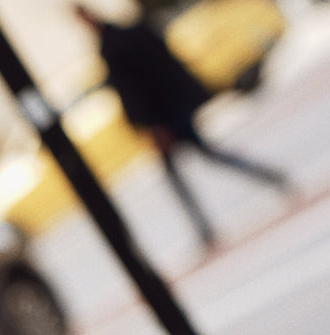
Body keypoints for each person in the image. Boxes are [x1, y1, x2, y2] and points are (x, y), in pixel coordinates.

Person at [73, 3, 289, 248]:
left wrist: (154, 123)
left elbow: (139, 87)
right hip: (167, 114)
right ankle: (208, 225)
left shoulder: (117, 45)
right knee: (188, 169)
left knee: (205, 158)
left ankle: (265, 179)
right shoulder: (120, 39)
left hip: (164, 118)